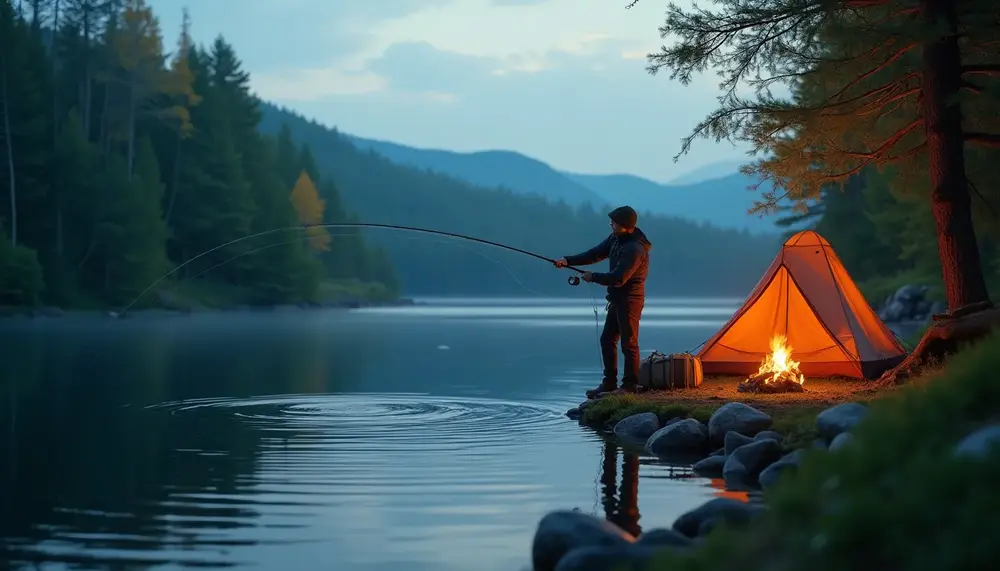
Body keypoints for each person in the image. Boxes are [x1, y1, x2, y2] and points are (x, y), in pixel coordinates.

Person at [554, 206, 652, 398]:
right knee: (607, 340)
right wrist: (567, 261)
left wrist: (593, 277)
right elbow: (594, 254)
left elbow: (619, 278)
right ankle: (609, 384)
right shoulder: (615, 239)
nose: (611, 224)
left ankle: (630, 386)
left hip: (630, 301)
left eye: (613, 222)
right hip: (616, 299)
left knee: (629, 344)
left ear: (624, 226)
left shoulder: (634, 249)